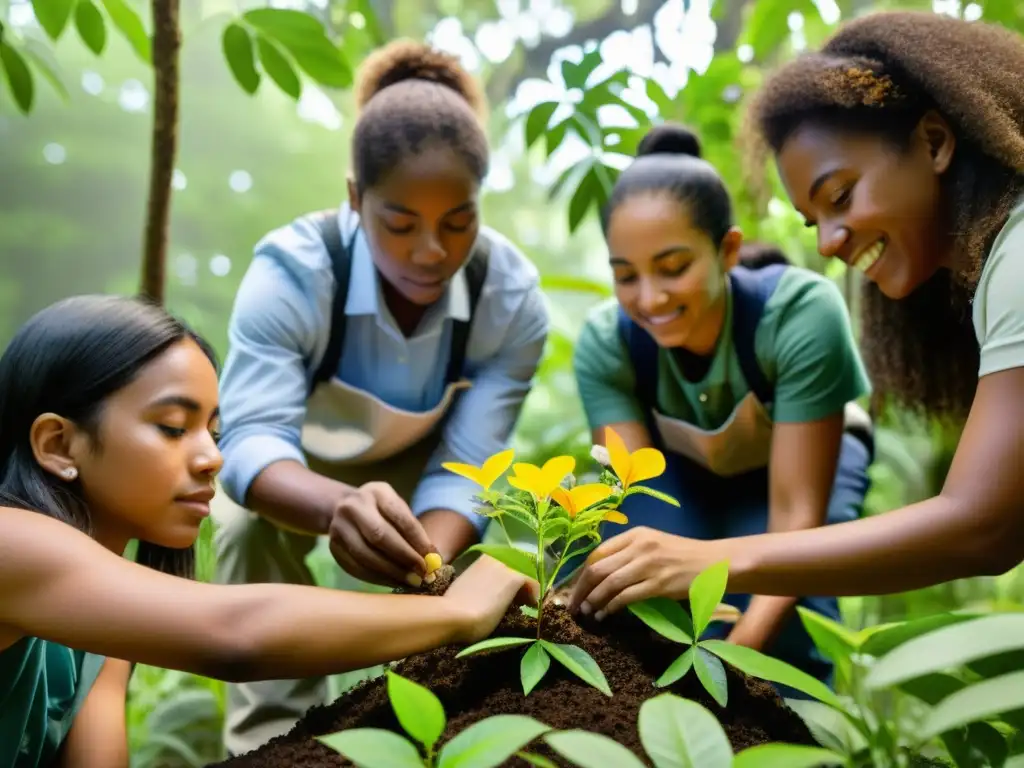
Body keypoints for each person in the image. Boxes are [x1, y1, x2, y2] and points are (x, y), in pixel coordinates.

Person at [569, 10, 1024, 619]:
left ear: (935, 142)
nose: (829, 242)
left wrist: (715, 566)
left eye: (840, 197)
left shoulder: (1017, 255)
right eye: (815, 222)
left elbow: (983, 527)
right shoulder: (611, 344)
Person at [0, 295, 535, 767]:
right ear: (58, 445)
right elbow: (233, 634)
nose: (213, 458)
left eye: (213, 431)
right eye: (172, 428)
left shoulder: (100, 638)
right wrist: (453, 611)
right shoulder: (10, 543)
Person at [213, 39, 548, 753]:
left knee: (455, 580)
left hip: (423, 481)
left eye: (458, 222)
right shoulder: (294, 273)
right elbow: (248, 443)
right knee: (242, 527)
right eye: (400, 224)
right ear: (355, 199)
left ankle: (423, 719)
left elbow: (469, 465)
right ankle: (272, 740)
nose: (431, 251)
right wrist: (339, 508)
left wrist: (426, 566)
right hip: (299, 476)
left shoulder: (509, 299)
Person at [566, 123, 874, 690]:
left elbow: (794, 528)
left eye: (673, 267)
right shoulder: (608, 343)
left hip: (798, 474)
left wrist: (732, 668)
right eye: (625, 276)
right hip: (679, 470)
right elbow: (638, 501)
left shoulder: (800, 314)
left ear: (727, 250)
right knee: (644, 591)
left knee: (789, 626)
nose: (650, 298)